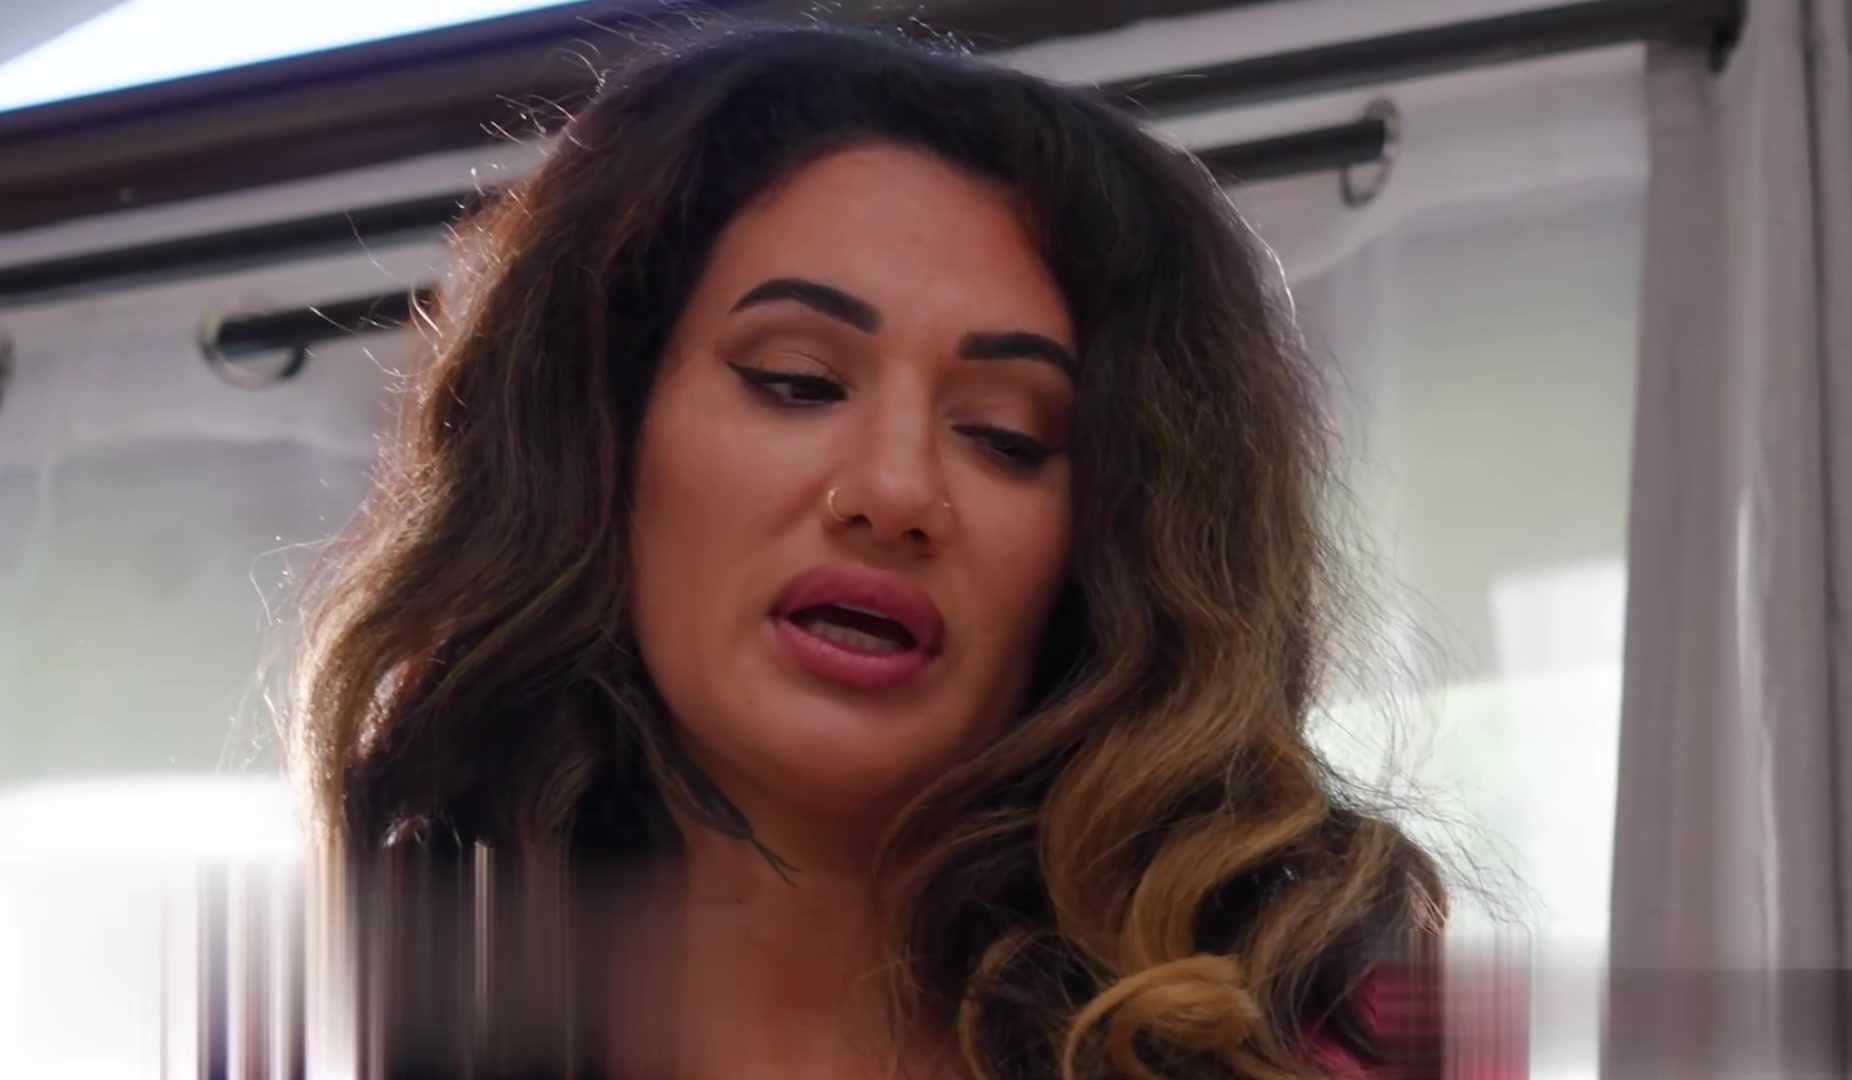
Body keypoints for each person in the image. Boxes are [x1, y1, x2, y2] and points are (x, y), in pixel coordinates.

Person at [289, 21, 1445, 1080]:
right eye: (795, 381)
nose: (894, 494)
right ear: (599, 441)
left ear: (1112, 545)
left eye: (1007, 436)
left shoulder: (1333, 1039)